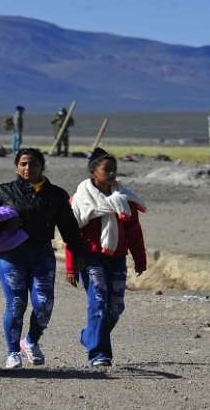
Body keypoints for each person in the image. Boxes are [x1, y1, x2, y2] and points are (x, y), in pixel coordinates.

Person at [0, 148, 86, 369]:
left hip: (42, 255)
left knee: (44, 305)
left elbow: (70, 230)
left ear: (42, 166)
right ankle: (12, 353)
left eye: (33, 164)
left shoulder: (56, 195)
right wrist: (4, 224)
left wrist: (77, 260)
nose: (28, 168)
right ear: (17, 166)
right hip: (10, 257)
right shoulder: (4, 191)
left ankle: (30, 341)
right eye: (24, 164)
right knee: (16, 303)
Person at [65, 148, 147, 368]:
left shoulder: (124, 200)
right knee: (99, 303)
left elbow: (134, 233)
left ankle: (89, 335)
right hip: (90, 260)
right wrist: (71, 267)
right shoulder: (81, 200)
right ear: (93, 172)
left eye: (114, 170)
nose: (112, 174)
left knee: (116, 308)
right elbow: (71, 235)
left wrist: (140, 259)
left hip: (117, 259)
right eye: (106, 170)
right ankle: (99, 353)